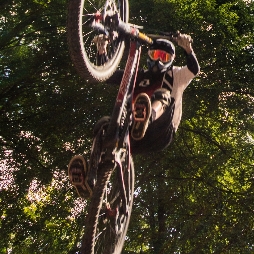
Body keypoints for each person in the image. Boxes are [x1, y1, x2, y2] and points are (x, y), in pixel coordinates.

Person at [68, 33, 199, 198]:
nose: (158, 60)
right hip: (132, 134)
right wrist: (102, 49)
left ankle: (146, 117)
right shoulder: (138, 75)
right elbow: (107, 75)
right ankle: (90, 178)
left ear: (170, 61)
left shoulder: (176, 75)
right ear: (148, 56)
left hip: (161, 132)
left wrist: (187, 48)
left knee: (163, 95)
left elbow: (194, 69)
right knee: (104, 124)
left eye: (164, 57)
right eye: (155, 55)